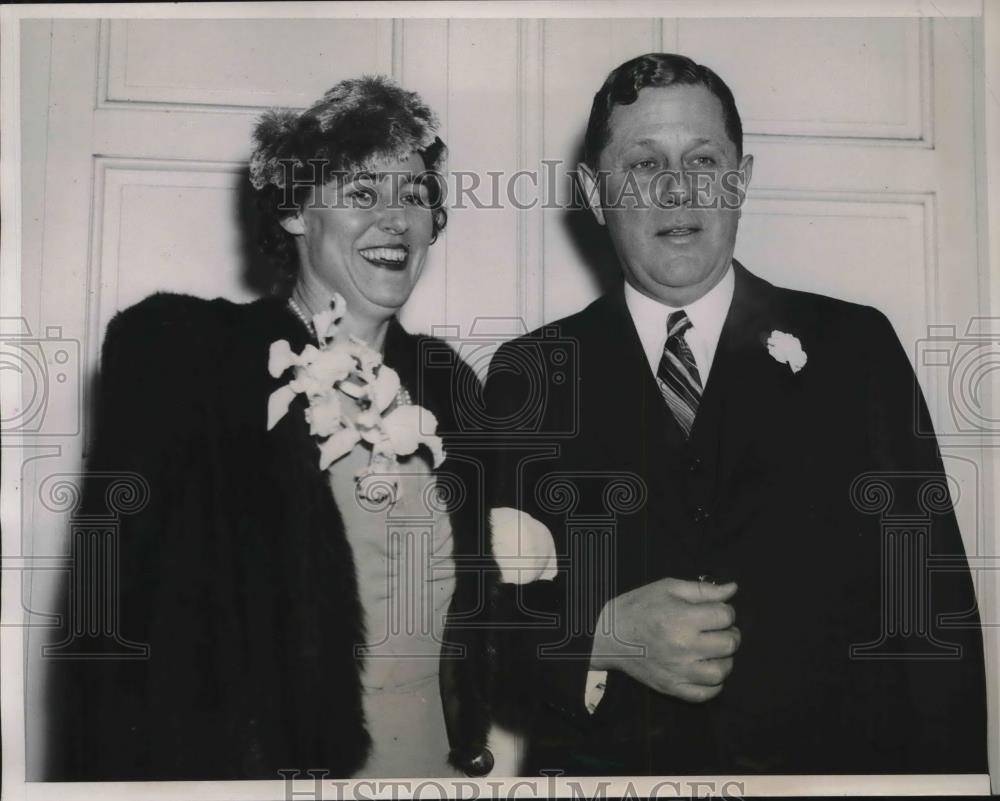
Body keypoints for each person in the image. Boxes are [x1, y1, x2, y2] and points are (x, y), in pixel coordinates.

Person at [486, 53, 987, 776]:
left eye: (703, 159)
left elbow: (933, 613)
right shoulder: (527, 374)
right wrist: (603, 634)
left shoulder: (856, 349)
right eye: (643, 164)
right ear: (596, 195)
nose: (678, 189)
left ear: (740, 181)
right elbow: (477, 638)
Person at [45, 76, 494, 780]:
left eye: (415, 194)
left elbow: (488, 618)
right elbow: (108, 636)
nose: (398, 218)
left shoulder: (451, 384)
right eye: (363, 193)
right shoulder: (190, 359)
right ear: (294, 211)